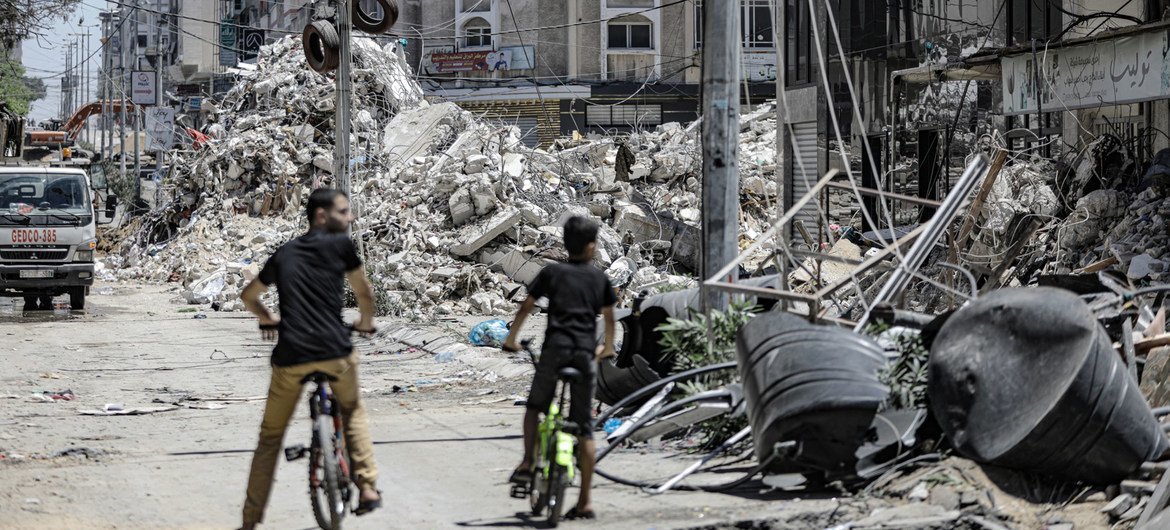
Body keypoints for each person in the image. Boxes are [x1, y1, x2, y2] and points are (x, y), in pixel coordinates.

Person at [238, 188, 381, 529]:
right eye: (344, 212)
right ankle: (367, 486)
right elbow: (364, 293)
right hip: (336, 353)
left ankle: (250, 520)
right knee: (352, 409)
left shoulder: (284, 254)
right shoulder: (341, 247)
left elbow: (250, 296)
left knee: (271, 438)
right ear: (322, 216)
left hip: (291, 356)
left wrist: (266, 317)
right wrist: (364, 324)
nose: (350, 219)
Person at [502, 215, 617, 521]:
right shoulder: (600, 280)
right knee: (585, 430)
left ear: (565, 244)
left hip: (555, 351)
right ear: (592, 247)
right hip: (583, 355)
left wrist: (511, 339)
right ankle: (585, 501)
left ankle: (527, 462)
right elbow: (609, 318)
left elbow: (527, 306)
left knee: (535, 406)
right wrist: (605, 349)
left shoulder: (552, 272)